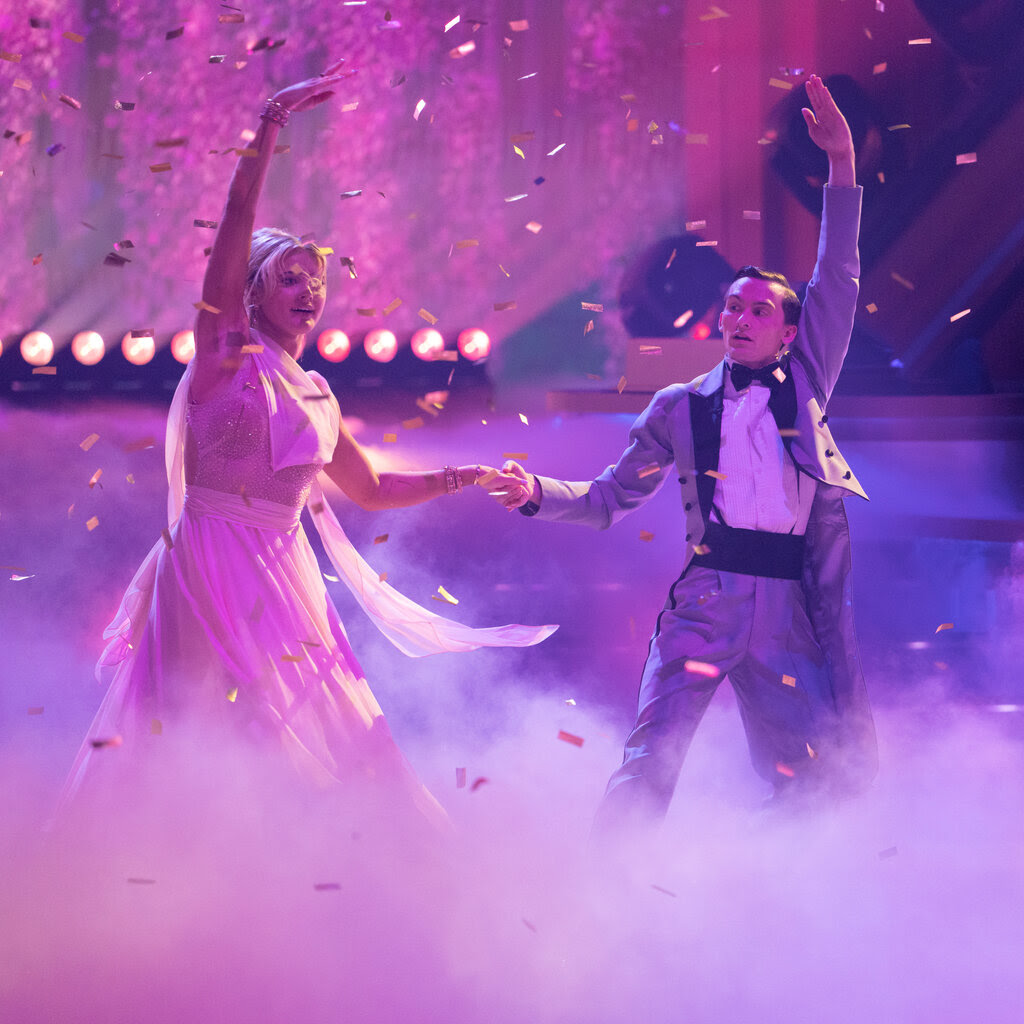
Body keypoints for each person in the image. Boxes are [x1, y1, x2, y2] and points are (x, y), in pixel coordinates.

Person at [58, 63, 555, 832]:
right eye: (289, 277)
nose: (309, 290)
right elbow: (229, 225)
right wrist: (269, 126)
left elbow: (373, 490)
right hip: (207, 560)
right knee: (194, 733)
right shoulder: (227, 354)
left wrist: (463, 475)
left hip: (285, 573)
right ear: (252, 292)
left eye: (316, 279)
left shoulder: (318, 390)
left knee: (320, 739)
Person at [495, 76, 877, 834]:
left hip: (787, 611)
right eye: (732, 305)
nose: (739, 317)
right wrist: (536, 489)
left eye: (758, 310)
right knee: (652, 757)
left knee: (814, 774)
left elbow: (837, 275)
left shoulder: (805, 382)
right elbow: (609, 498)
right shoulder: (681, 406)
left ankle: (768, 896)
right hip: (707, 601)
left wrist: (841, 167)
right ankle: (602, 898)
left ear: (789, 333)